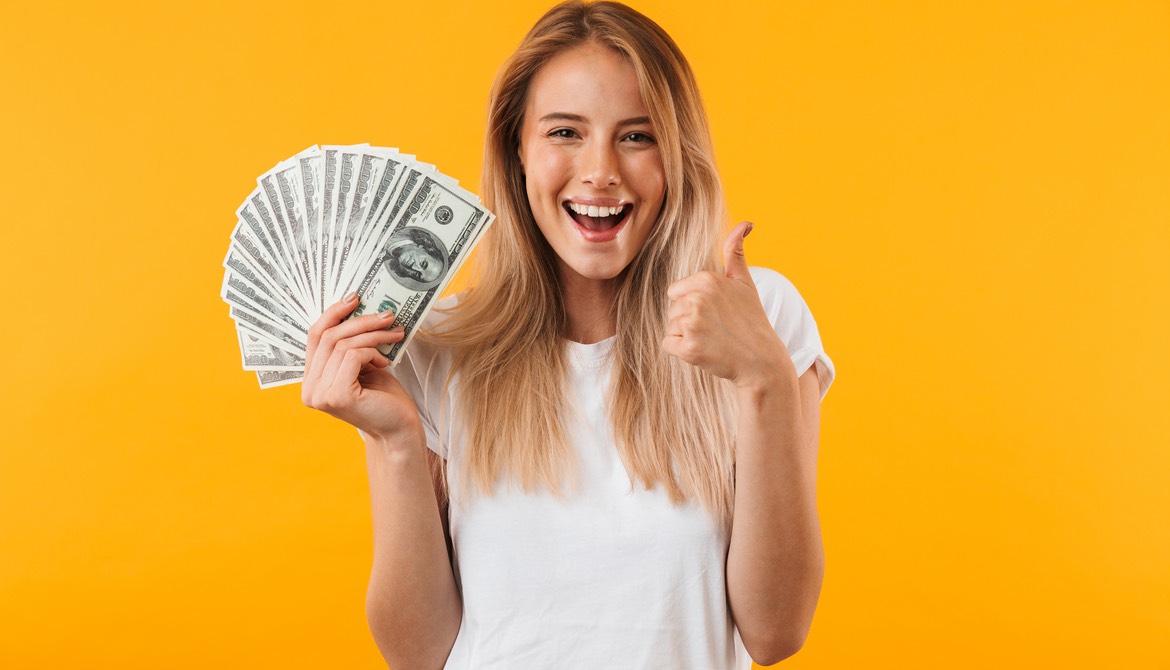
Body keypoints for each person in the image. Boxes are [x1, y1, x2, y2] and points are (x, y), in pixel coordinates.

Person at [301, 1, 836, 668]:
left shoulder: (758, 319)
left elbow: (776, 631)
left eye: (637, 136)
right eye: (564, 133)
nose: (601, 169)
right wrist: (398, 441)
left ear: (676, 158)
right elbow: (418, 652)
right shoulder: (436, 344)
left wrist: (765, 382)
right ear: (517, 152)